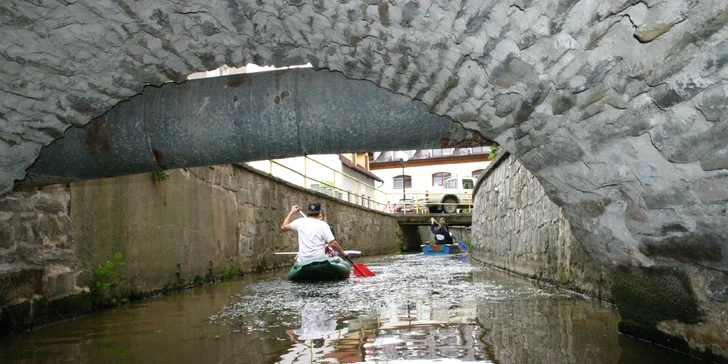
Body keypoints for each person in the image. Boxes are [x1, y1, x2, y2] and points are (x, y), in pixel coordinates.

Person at [281, 201, 348, 262]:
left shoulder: (299, 221)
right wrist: (343, 253)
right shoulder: (323, 225)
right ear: (319, 212)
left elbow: (283, 227)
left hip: (303, 261)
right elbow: (333, 244)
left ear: (308, 212)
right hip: (319, 261)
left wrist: (291, 212)